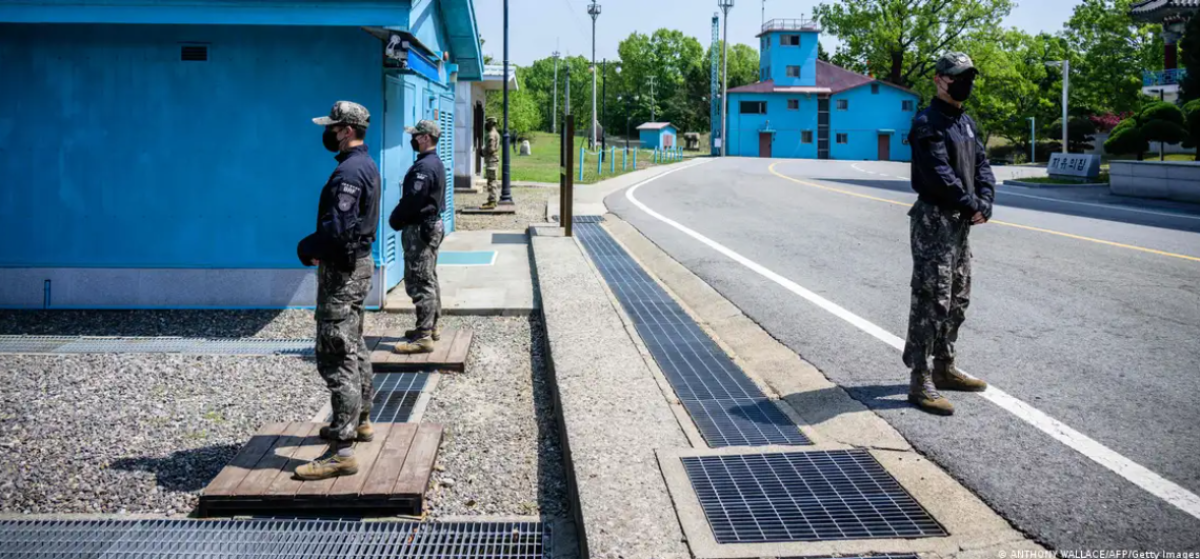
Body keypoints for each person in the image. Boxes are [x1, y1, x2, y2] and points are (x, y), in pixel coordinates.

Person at [903, 52, 993, 416]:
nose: (965, 83)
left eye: (969, 76)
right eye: (958, 76)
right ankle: (920, 377)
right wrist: (971, 202)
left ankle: (944, 366)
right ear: (940, 79)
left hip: (959, 223)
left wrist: (985, 200)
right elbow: (939, 173)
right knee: (931, 298)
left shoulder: (965, 122)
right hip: (934, 221)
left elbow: (982, 164)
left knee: (957, 296)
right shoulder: (928, 123)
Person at [294, 101, 381, 479]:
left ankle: (341, 451)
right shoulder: (366, 164)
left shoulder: (349, 172)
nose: (327, 132)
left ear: (346, 130)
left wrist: (306, 247)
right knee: (354, 343)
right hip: (358, 267)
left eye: (332, 126)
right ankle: (359, 420)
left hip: (342, 274)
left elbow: (338, 231)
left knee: (336, 353)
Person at [389, 120, 446, 354]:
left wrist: (396, 218)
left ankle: (423, 337)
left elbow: (413, 199)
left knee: (420, 279)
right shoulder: (433, 163)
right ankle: (430, 326)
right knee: (429, 276)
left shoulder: (424, 167)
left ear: (424, 138)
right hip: (431, 225)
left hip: (420, 228)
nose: (412, 139)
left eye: (415, 136)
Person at [481, 117, 501, 209]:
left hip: (491, 161)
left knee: (492, 182)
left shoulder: (491, 135)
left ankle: (492, 202)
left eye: (487, 123)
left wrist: (482, 151)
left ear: (491, 123)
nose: (486, 125)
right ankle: (491, 201)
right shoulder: (495, 133)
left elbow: (491, 149)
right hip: (493, 160)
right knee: (491, 181)